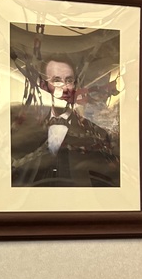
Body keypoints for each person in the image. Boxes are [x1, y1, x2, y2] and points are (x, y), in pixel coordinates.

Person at [10, 55, 120, 187]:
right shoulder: (20, 130)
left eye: (69, 80)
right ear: (44, 85)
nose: (65, 87)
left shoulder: (96, 135)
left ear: (75, 84)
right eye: (57, 80)